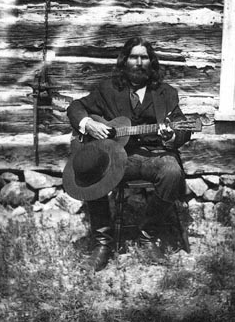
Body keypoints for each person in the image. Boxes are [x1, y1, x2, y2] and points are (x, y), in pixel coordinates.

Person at [66, 37, 191, 272]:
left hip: (152, 157)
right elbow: (75, 107)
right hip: (116, 159)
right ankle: (103, 242)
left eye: (144, 57)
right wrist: (87, 124)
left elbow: (181, 126)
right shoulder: (107, 89)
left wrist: (171, 136)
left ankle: (147, 234)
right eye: (134, 57)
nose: (139, 62)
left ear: (151, 63)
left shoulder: (166, 93)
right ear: (125, 61)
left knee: (173, 171)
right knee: (92, 167)